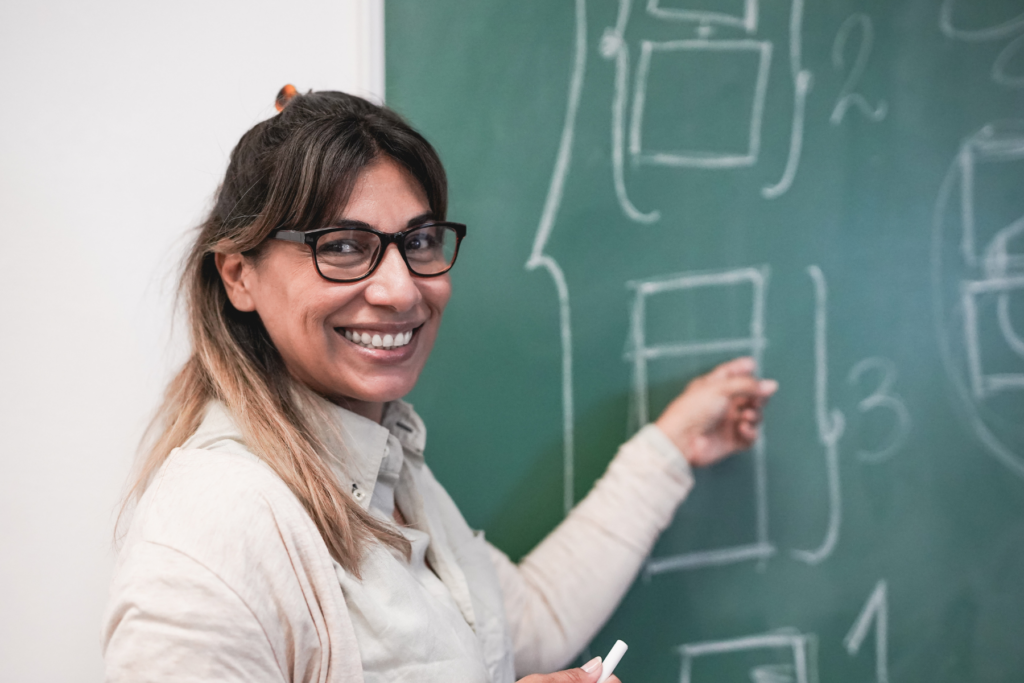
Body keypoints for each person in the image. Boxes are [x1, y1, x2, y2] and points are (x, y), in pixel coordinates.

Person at [102, 89, 777, 683]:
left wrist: (672, 444)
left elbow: (523, 623)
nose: (401, 289)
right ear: (238, 276)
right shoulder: (211, 527)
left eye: (419, 240)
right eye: (341, 245)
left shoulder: (390, 469)